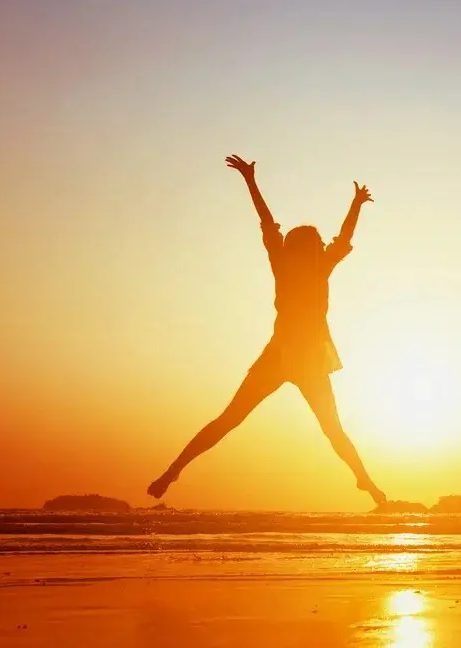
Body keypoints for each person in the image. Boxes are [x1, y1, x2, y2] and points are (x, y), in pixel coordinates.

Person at [148, 155, 386, 505]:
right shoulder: (308, 265)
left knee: (233, 420)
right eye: (318, 242)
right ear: (308, 248)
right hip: (293, 358)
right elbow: (276, 224)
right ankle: (370, 486)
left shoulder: (295, 263)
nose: (322, 246)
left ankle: (369, 485)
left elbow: (273, 224)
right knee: (325, 429)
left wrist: (251, 179)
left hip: (292, 357)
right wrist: (354, 206)